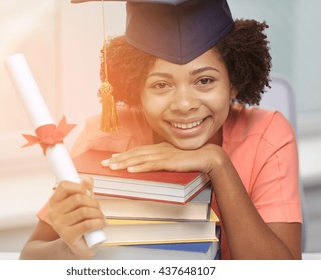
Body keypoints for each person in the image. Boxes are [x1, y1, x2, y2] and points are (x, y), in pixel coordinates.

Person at [20, 0, 302, 260]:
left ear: (234, 83)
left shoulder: (267, 135)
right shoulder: (106, 137)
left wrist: (218, 163)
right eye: (160, 85)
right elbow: (30, 255)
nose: (184, 104)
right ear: (135, 92)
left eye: (204, 81)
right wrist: (68, 249)